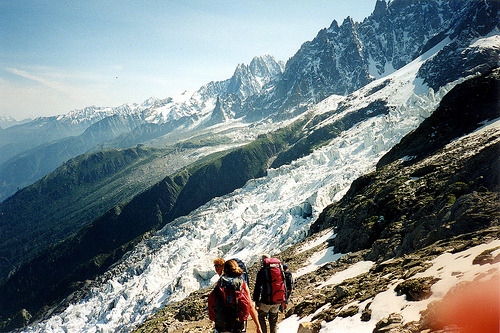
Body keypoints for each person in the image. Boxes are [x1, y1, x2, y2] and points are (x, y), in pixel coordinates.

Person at [209, 259, 262, 333]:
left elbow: (211, 303)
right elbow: (250, 306)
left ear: (225, 270)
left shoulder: (220, 284)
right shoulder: (242, 285)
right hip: (238, 326)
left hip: (221, 326)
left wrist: (214, 318)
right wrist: (258, 326)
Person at [252, 254, 284, 333]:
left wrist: (255, 301)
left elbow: (258, 287)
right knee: (273, 322)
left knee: (261, 317)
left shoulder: (262, 271)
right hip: (277, 299)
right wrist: (284, 300)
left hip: (266, 301)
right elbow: (284, 284)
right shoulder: (279, 269)